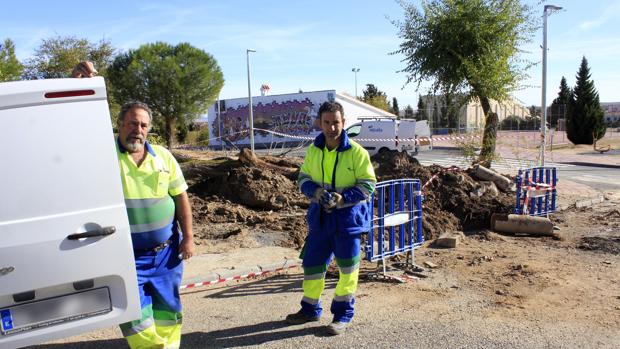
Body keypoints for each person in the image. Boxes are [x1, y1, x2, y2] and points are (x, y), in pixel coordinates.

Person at [72, 64, 195, 348]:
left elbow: (181, 198)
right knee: (134, 318)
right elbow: (78, 131)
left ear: (148, 129)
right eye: (131, 123)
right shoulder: (103, 154)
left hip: (167, 255)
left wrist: (188, 238)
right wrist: (78, 86)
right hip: (125, 257)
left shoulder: (163, 157)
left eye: (142, 125)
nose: (137, 130)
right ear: (119, 124)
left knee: (169, 313)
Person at [286, 101, 376, 335]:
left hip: (348, 222)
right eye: (327, 122)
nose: (331, 127)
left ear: (343, 123)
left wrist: (342, 198)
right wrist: (315, 192)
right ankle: (310, 309)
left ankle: (342, 315)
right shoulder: (314, 150)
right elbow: (303, 178)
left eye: (336, 122)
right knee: (313, 266)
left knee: (347, 270)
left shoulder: (357, 153)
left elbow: (368, 185)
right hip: (321, 221)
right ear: (320, 123)